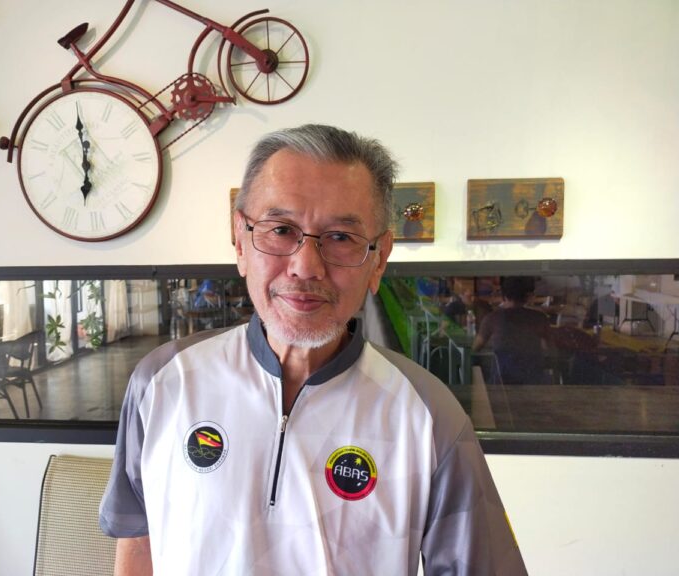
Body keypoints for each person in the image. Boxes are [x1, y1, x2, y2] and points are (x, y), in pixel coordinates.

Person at [99, 124, 527, 575]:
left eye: (341, 237)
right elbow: (139, 537)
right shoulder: (162, 382)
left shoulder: (429, 416)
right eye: (281, 229)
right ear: (240, 239)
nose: (305, 267)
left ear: (379, 258)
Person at [473, 276, 552, 385]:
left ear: (504, 296)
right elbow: (548, 348)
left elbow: (475, 348)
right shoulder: (540, 318)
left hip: (502, 383)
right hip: (533, 381)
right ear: (527, 297)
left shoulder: (492, 318)